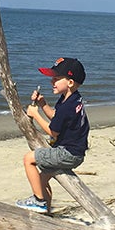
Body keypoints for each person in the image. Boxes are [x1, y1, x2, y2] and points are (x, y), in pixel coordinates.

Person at [16, 57, 90, 214]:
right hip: (74, 151)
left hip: (67, 153)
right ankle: (46, 211)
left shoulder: (67, 107)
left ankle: (39, 201)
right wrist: (43, 104)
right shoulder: (72, 99)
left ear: (70, 82)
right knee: (42, 179)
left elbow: (53, 131)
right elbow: (57, 118)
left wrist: (35, 115)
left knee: (28, 159)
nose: (52, 82)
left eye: (56, 79)